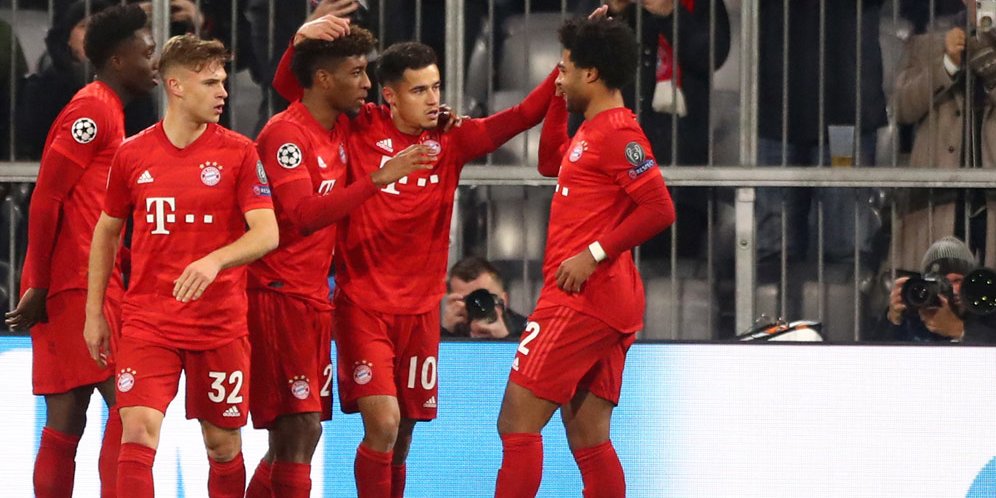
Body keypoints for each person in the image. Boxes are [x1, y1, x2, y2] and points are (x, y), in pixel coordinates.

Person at [274, 16, 560, 497]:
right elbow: (298, 92)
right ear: (389, 95)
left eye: (436, 88)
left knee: (403, 435)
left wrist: (566, 64)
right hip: (363, 306)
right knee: (383, 423)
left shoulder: (451, 138)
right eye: (419, 90)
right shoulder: (358, 126)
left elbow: (524, 114)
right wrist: (298, 38)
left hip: (421, 311)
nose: (432, 100)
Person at [243, 24, 435, 498]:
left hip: (313, 299)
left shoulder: (340, 127)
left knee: (293, 437)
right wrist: (379, 178)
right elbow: (304, 215)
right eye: (356, 73)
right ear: (326, 80)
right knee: (301, 428)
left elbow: (300, 78)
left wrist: (300, 42)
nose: (367, 83)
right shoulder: (286, 135)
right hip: (278, 296)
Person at [83, 34, 278, 497]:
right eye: (210, 83)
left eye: (224, 81)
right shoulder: (132, 154)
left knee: (222, 445)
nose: (223, 92)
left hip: (219, 324)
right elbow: (107, 231)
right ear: (175, 86)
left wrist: (215, 260)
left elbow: (267, 233)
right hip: (150, 321)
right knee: (138, 429)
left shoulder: (240, 153)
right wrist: (94, 313)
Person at [494, 14, 675, 497]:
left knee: (516, 421)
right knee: (589, 436)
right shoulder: (594, 129)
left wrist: (593, 253)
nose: (559, 77)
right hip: (606, 302)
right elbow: (549, 161)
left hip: (582, 298)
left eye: (566, 69)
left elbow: (660, 208)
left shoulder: (618, 135)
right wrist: (559, 96)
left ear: (591, 73)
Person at [4, 5, 157, 497]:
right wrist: (38, 282)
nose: (154, 62)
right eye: (147, 52)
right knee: (129, 409)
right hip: (76, 283)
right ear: (117, 59)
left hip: (86, 279)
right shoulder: (91, 110)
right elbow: (47, 197)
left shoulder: (109, 109)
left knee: (71, 417)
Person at [893, 0, 996, 271]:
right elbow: (901, 106)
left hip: (991, 202)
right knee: (937, 287)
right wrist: (947, 65)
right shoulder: (929, 41)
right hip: (939, 201)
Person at [17, 0, 110, 160]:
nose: (95, 34)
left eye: (103, 27)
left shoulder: (131, 85)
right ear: (68, 38)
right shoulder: (45, 89)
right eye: (84, 26)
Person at [875, 236, 975, 342]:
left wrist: (958, 330)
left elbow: (986, 340)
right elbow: (875, 349)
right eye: (940, 282)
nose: (951, 289)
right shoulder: (913, 316)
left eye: (957, 281)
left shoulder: (982, 316)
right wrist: (893, 320)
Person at [441, 256, 528, 339]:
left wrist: (507, 339)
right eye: (467, 300)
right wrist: (446, 334)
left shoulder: (527, 331)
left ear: (504, 300)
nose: (477, 305)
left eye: (484, 298)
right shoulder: (452, 329)